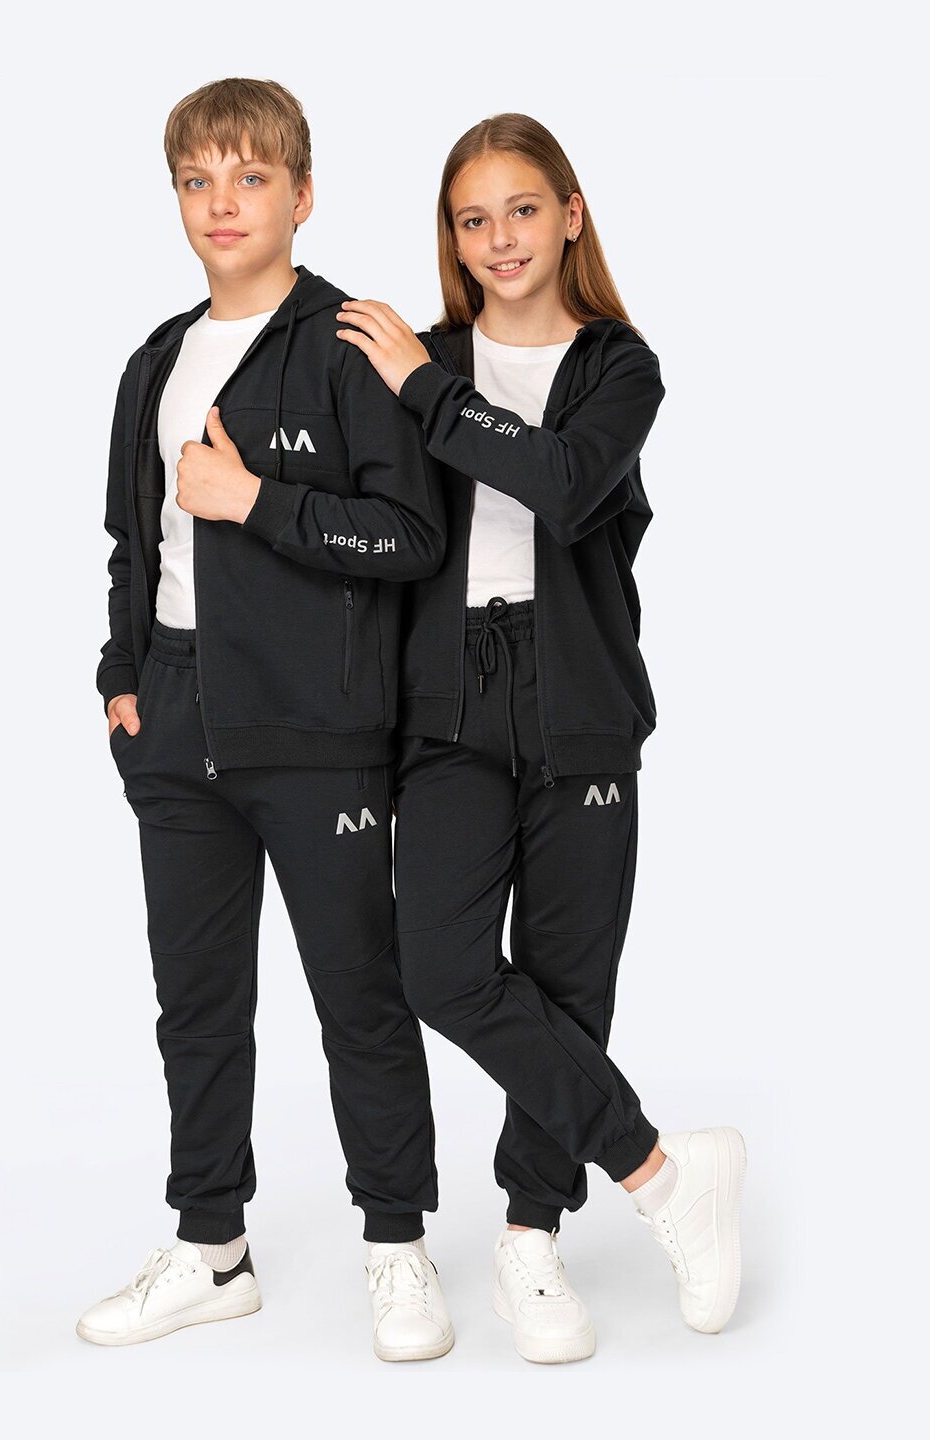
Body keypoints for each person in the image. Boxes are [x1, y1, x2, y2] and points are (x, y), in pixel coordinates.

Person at [334, 112, 745, 1363]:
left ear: (570, 215)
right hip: (448, 703)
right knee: (442, 968)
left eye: (522, 208)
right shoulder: (421, 355)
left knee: (569, 982)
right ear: (452, 239)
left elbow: (564, 486)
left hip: (580, 700)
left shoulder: (620, 366)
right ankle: (664, 1173)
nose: (500, 238)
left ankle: (530, 1237)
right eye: (474, 219)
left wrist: (426, 391)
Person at [77, 77, 455, 1362]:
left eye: (250, 177)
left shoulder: (349, 345)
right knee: (195, 1005)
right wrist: (121, 681)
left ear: (302, 194)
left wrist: (254, 502)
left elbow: (411, 538)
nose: (222, 203)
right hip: (177, 720)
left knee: (359, 996)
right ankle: (211, 1247)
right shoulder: (155, 361)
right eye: (198, 180)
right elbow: (132, 544)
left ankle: (397, 1244)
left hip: (319, 731)